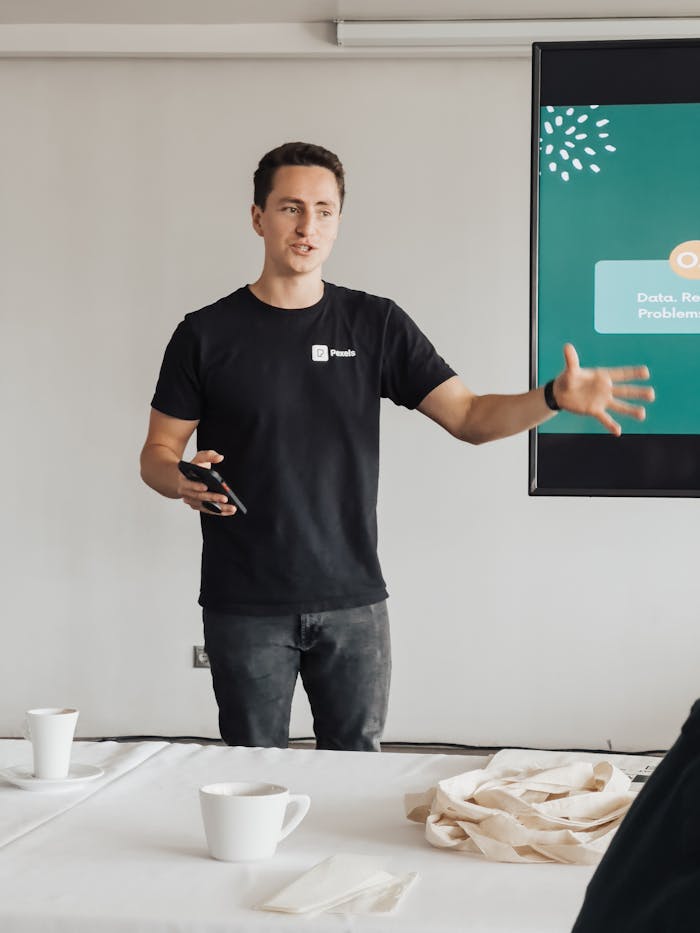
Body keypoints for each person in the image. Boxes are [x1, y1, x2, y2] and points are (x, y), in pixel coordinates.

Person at [140, 141, 653, 752]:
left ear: (338, 220)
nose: (308, 226)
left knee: (357, 779)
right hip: (243, 602)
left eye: (325, 210)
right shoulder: (205, 333)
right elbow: (156, 453)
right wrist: (181, 480)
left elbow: (469, 416)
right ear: (258, 217)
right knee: (255, 781)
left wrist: (552, 397)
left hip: (354, 601)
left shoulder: (374, 324)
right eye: (290, 208)